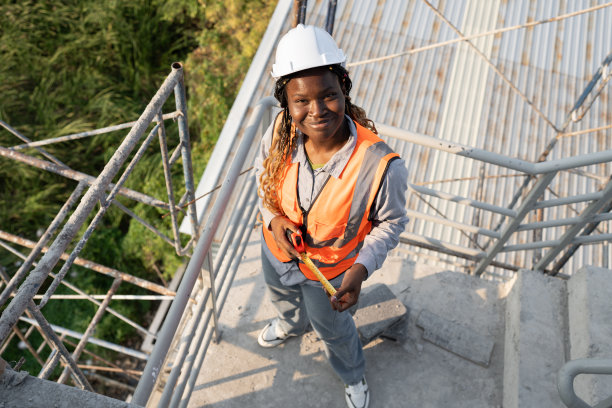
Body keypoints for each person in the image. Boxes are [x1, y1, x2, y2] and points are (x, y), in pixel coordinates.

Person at [255, 24, 408, 408]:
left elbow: (392, 223)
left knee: (335, 332)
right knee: (280, 296)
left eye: (328, 96)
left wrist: (360, 271)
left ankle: (353, 376)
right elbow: (264, 183)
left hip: (331, 274)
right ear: (286, 103)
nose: (317, 110)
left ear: (344, 90)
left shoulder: (380, 164)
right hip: (277, 251)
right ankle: (290, 325)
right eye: (301, 101)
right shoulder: (280, 133)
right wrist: (274, 222)